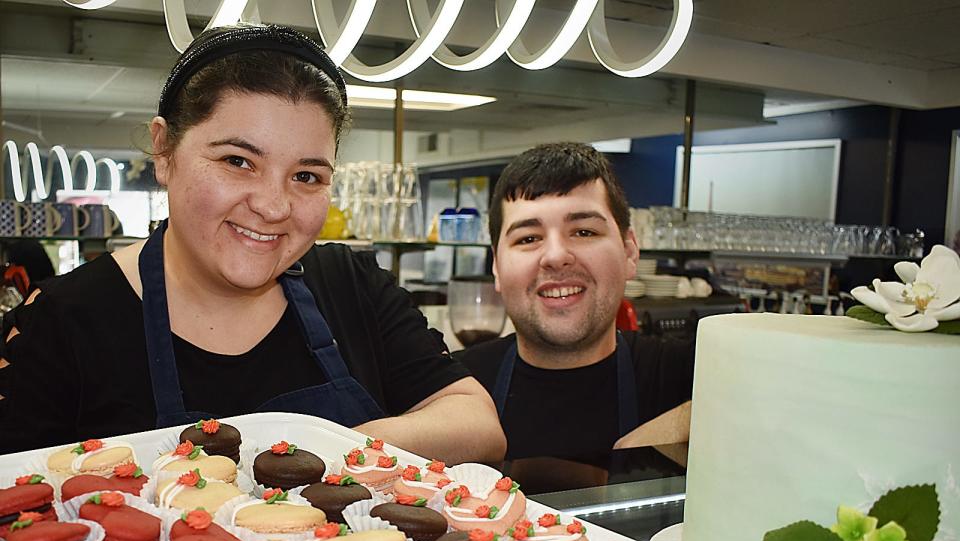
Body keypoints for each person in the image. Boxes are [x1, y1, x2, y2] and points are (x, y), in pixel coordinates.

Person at [0, 24, 505, 462]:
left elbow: (477, 422)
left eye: (306, 176)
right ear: (164, 150)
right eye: (238, 162)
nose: (273, 206)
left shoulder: (351, 285)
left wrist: (333, 449)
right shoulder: (62, 318)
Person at [456, 142, 694, 462]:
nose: (556, 257)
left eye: (583, 231)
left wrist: (687, 422)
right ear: (497, 267)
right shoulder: (451, 387)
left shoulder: (691, 376)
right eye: (528, 238)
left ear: (629, 252)